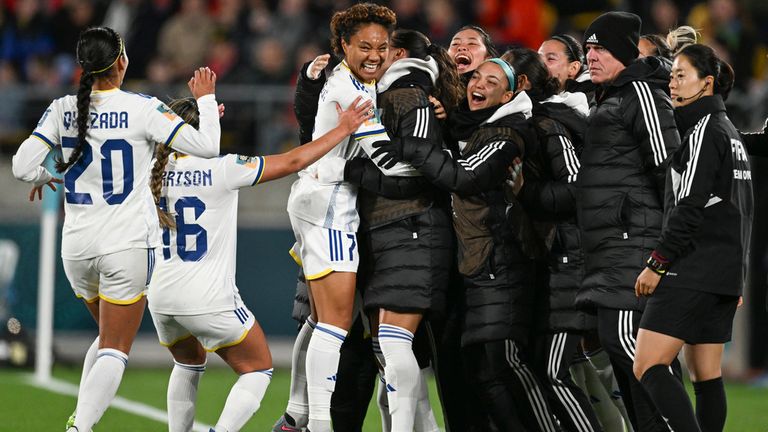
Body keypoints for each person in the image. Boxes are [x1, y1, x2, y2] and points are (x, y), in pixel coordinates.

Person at [10, 26, 221, 432]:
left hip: (76, 247)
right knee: (115, 348)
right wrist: (206, 101)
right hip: (125, 243)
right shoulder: (143, 108)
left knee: (106, 337)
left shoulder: (61, 108)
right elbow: (208, 147)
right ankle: (80, 427)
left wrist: (43, 174)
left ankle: (80, 416)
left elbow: (21, 166)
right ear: (122, 61)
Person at [147, 95, 372, 432]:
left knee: (188, 363)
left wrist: (208, 117)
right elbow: (294, 160)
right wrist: (342, 130)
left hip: (161, 298)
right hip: (208, 297)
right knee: (258, 369)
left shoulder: (150, 172)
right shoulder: (222, 169)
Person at [373, 57, 559, 432]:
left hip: (502, 261)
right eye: (477, 76)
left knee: (507, 363)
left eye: (493, 81)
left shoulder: (507, 134)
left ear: (509, 95)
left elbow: (465, 176)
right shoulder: (471, 131)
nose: (480, 83)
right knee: (485, 372)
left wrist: (414, 147)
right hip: (478, 266)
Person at [282, 4, 400, 432]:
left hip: (317, 198)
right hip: (330, 205)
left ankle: (298, 411)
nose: (375, 54)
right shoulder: (351, 92)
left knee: (324, 319)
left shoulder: (344, 80)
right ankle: (317, 423)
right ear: (344, 46)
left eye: (382, 47)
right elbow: (386, 160)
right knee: (335, 325)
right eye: (364, 46)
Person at [633, 44, 752, 432]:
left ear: (707, 83)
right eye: (672, 75)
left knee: (648, 364)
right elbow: (742, 213)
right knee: (706, 375)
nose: (673, 82)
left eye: (681, 75)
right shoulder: (732, 134)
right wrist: (737, 276)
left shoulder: (704, 131)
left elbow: (689, 206)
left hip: (691, 267)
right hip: (722, 272)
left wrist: (658, 262)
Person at [576, 12, 681, 432]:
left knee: (636, 355)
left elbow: (670, 170)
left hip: (634, 247)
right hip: (612, 249)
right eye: (587, 49)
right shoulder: (611, 95)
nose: (591, 56)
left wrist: (664, 255)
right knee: (628, 361)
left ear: (624, 51)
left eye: (600, 48)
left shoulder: (641, 93)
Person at [501, 47, 603, 432]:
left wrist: (527, 192)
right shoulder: (537, 121)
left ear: (522, 84)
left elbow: (578, 188)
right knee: (551, 371)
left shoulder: (549, 124)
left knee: (554, 372)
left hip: (570, 259)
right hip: (555, 260)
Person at [538, 34, 595, 104]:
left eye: (550, 58)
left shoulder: (591, 95)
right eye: (539, 58)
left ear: (573, 68)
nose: (540, 64)